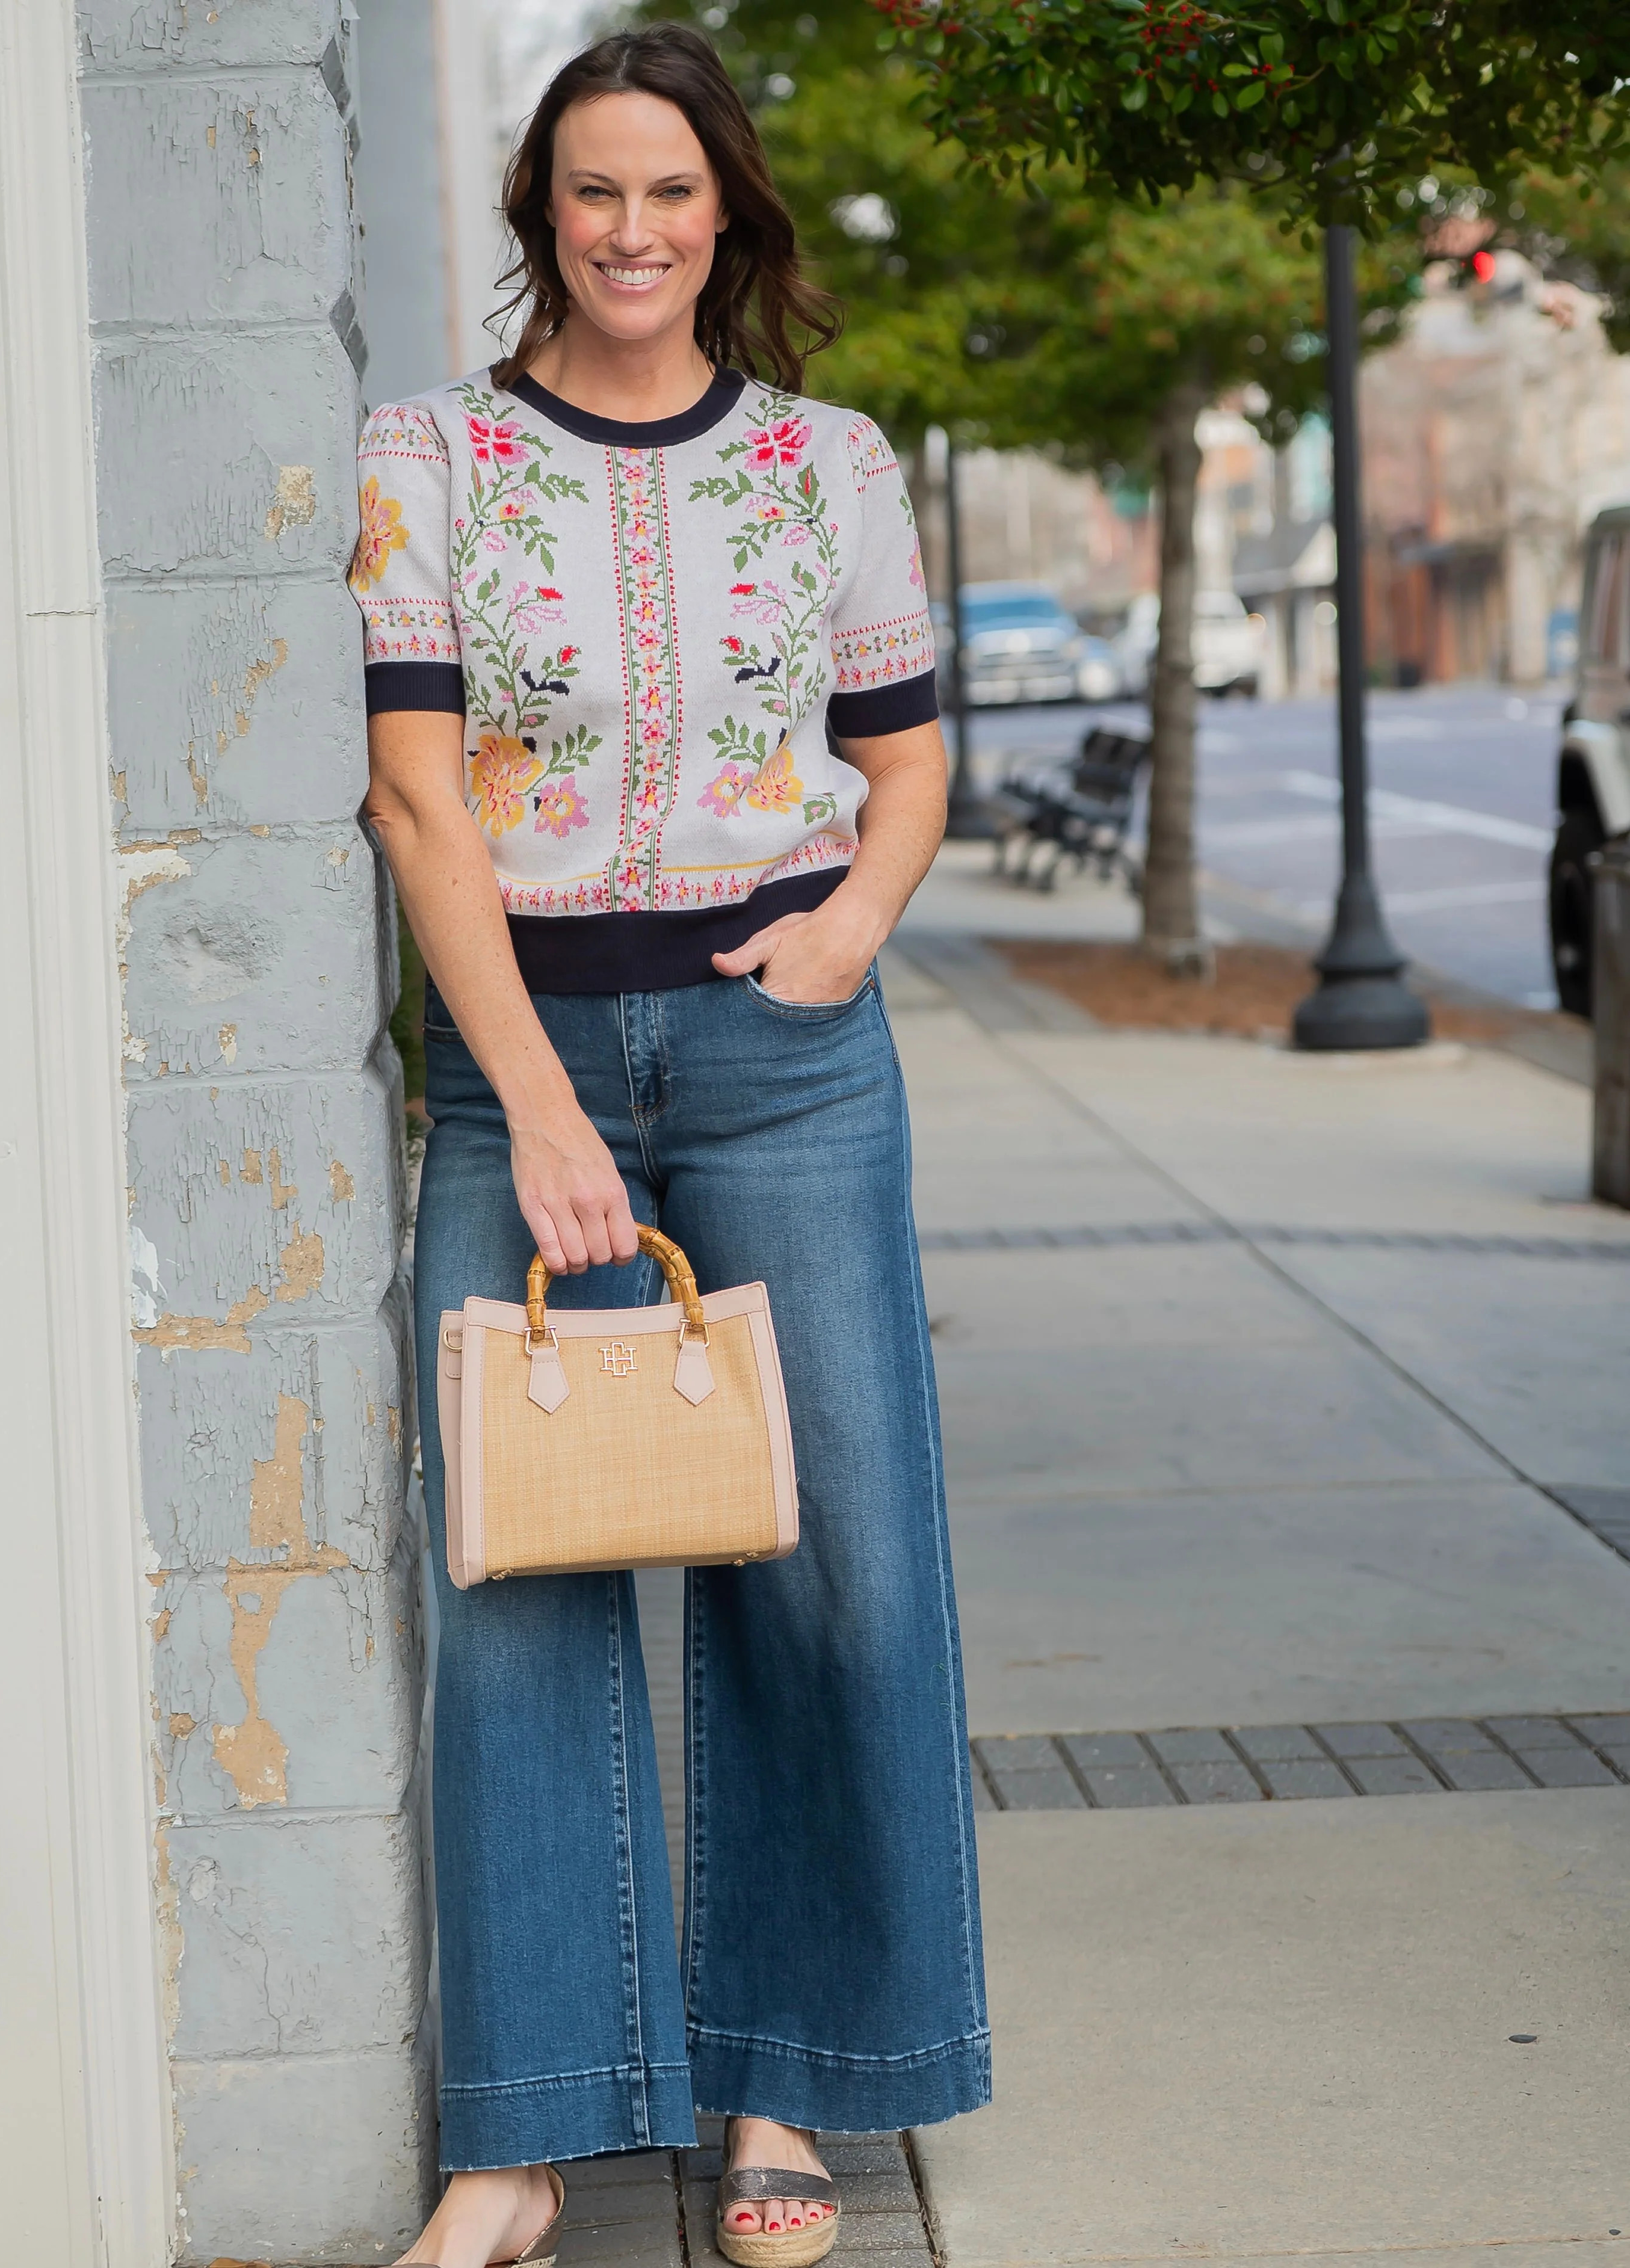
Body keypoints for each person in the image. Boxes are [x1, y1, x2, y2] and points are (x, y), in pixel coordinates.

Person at [353, 25, 988, 2268]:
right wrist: (535, 1102)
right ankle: (522, 2141)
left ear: (729, 216)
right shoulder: (430, 454)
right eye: (595, 191)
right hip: (518, 1053)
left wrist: (845, 940)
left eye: (673, 192)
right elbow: (417, 795)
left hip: (783, 1056)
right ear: (545, 211)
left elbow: (907, 760)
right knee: (516, 1572)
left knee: (835, 1558)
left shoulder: (830, 464)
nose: (633, 231)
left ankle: (785, 2086)